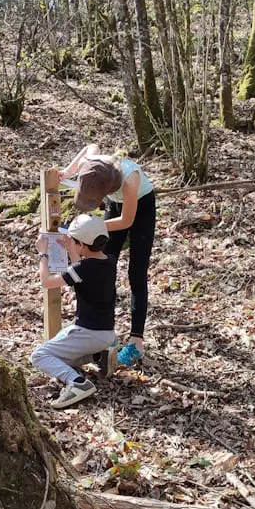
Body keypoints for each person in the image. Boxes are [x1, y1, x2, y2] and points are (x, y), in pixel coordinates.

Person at [58, 144, 155, 367]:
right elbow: (90, 146)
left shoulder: (130, 179)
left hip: (140, 209)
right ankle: (98, 328)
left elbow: (126, 221)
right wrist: (68, 171)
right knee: (103, 260)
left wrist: (92, 226)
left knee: (136, 272)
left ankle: (136, 342)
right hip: (115, 204)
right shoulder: (92, 167)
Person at [30, 214, 120, 409]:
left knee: (40, 356)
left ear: (83, 245)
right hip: (106, 333)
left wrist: (43, 253)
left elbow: (46, 281)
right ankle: (99, 356)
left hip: (87, 332)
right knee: (60, 355)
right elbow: (83, 273)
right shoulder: (110, 261)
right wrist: (73, 249)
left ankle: (77, 383)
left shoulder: (83, 268)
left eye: (75, 241)